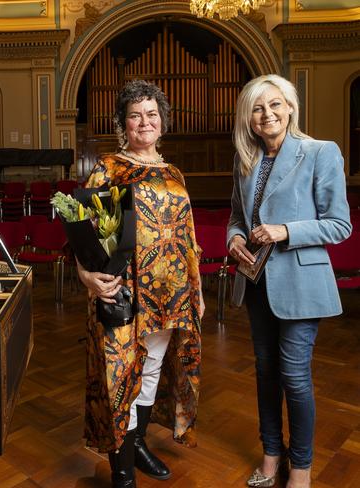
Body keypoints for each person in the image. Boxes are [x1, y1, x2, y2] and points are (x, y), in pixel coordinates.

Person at [227, 74, 352, 488]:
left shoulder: (320, 152)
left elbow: (339, 225)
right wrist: (235, 239)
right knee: (265, 372)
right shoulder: (246, 161)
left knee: (294, 375)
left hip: (300, 283)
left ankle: (301, 468)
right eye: (258, 108)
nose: (268, 114)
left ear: (291, 107)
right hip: (257, 281)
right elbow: (235, 219)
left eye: (276, 104)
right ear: (249, 118)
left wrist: (286, 231)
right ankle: (271, 454)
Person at [77, 79, 204, 488]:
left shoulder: (173, 172)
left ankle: (140, 443)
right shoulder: (107, 168)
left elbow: (190, 239)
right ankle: (122, 468)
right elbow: (83, 231)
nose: (144, 122)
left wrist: (196, 291)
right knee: (120, 375)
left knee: (150, 370)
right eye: (135, 115)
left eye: (152, 114)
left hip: (172, 295)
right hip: (124, 293)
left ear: (162, 123)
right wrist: (84, 275)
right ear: (123, 124)